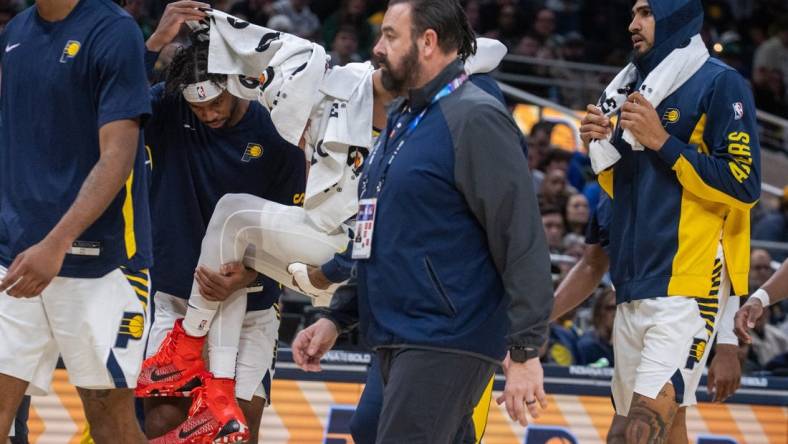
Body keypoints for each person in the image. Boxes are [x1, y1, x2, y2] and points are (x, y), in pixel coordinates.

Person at [292, 0, 553, 441]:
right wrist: (339, 316)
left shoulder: (475, 116)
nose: (377, 48)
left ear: (428, 41)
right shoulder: (402, 119)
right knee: (369, 428)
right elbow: (377, 232)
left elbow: (521, 236)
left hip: (446, 335)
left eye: (390, 36)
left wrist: (525, 351)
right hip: (396, 331)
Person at [578, 0, 760, 440]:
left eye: (645, 13)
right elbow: (637, 195)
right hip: (633, 283)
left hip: (687, 286)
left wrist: (662, 142)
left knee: (642, 430)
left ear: (676, 14)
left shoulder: (720, 83)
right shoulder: (633, 92)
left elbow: (745, 184)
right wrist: (604, 146)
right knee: (635, 430)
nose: (632, 25)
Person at [134, 3, 307, 442]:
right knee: (161, 424)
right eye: (199, 108)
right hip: (175, 298)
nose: (208, 114)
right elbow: (109, 99)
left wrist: (249, 272)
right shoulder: (170, 108)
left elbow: (295, 229)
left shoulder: (277, 133)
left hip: (249, 302)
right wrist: (155, 42)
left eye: (216, 103)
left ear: (234, 83)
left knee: (237, 433)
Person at [0, 0, 152, 441]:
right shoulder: (15, 33)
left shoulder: (114, 30)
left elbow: (118, 155)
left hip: (100, 261)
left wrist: (57, 242)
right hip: (15, 257)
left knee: (109, 422)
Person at [552, 196, 743, 442]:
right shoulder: (609, 183)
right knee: (626, 433)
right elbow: (592, 263)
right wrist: (533, 323)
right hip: (631, 305)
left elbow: (733, 244)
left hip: (684, 303)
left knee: (644, 428)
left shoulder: (685, 165)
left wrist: (728, 342)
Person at [735, 260, 788, 344]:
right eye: (758, 268)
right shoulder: (740, 294)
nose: (762, 272)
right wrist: (759, 299)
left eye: (766, 268)